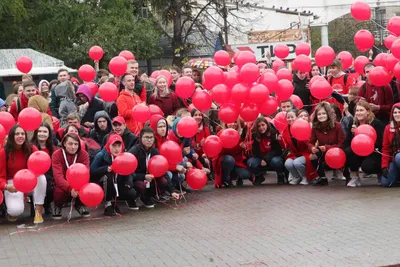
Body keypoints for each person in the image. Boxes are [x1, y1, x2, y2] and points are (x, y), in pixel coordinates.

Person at [0, 125, 47, 223]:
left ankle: (38, 211)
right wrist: (6, 186)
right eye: (17, 134)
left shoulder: (32, 148)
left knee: (42, 178)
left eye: (22, 134)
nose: (20, 136)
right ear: (12, 136)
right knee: (15, 210)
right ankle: (13, 207)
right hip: (13, 183)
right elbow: (1, 175)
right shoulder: (4, 152)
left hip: (30, 181)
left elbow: (39, 167)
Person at [128, 127, 180, 206]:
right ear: (141, 138)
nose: (149, 140)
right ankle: (134, 198)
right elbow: (129, 173)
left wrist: (172, 191)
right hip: (137, 179)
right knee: (140, 185)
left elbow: (163, 170)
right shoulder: (134, 151)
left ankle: (148, 196)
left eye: (151, 137)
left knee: (163, 181)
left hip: (150, 178)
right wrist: (143, 176)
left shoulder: (154, 151)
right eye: (146, 137)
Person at [90, 133, 138, 215]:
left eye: (119, 146)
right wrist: (105, 169)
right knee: (108, 177)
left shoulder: (124, 156)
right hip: (103, 183)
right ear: (109, 146)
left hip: (118, 181)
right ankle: (107, 204)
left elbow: (131, 172)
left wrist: (128, 182)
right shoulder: (101, 155)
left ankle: (115, 202)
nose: (116, 149)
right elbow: (92, 171)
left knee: (132, 193)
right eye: (114, 146)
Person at [343, 100, 385, 187]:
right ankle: (355, 177)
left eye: (361, 110)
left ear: (368, 112)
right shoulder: (353, 123)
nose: (359, 113)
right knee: (348, 151)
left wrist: (361, 134)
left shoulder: (376, 123)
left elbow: (380, 143)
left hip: (374, 151)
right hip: (358, 151)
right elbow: (347, 141)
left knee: (367, 167)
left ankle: (379, 173)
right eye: (357, 111)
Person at [52, 133, 91, 219]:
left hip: (79, 183)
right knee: (59, 191)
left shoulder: (84, 154)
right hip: (63, 184)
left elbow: (86, 173)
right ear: (64, 144)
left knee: (86, 188)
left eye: (76, 144)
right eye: (70, 144)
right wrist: (70, 188)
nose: (73, 147)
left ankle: (79, 204)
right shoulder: (57, 155)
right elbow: (58, 177)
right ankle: (58, 206)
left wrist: (77, 188)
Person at [309, 102, 345, 186]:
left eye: (324, 113)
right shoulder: (315, 127)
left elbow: (341, 144)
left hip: (337, 151)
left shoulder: (337, 126)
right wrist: (312, 148)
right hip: (323, 151)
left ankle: (347, 175)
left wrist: (326, 147)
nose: (321, 116)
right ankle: (323, 178)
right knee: (312, 156)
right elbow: (311, 142)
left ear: (328, 114)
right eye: (319, 114)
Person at [213, 120, 252, 188]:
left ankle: (235, 176)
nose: (233, 124)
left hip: (237, 161)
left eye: (235, 122)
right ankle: (226, 178)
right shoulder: (221, 133)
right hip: (225, 160)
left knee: (246, 174)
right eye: (230, 122)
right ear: (226, 123)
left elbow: (245, 152)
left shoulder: (240, 135)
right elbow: (216, 150)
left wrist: (244, 148)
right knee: (229, 160)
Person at [282, 109, 316, 185]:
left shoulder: (303, 126)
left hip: (306, 152)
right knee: (288, 163)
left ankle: (305, 177)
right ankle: (296, 177)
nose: (290, 119)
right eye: (288, 117)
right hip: (295, 153)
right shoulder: (285, 130)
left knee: (297, 163)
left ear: (297, 117)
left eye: (292, 117)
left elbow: (310, 142)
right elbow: (286, 146)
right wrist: (280, 140)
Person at [247, 116, 284, 185]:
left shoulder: (273, 133)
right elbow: (255, 152)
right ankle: (259, 176)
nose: (261, 128)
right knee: (251, 162)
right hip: (260, 157)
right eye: (259, 126)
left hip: (273, 157)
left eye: (263, 125)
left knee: (276, 162)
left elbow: (277, 150)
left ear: (267, 124)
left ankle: (280, 175)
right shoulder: (254, 135)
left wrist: (266, 159)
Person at [31, 123, 58, 215]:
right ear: (36, 133)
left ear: (49, 134)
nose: (42, 134)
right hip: (33, 176)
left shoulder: (54, 149)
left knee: (51, 188)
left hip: (49, 176)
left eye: (45, 131)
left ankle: (46, 204)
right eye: (39, 131)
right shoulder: (30, 148)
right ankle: (33, 205)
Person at [381, 103, 400, 187]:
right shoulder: (388, 128)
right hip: (393, 159)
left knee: (399, 157)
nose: (397, 114)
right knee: (386, 182)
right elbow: (386, 148)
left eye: (399, 112)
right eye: (395, 112)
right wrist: (384, 166)